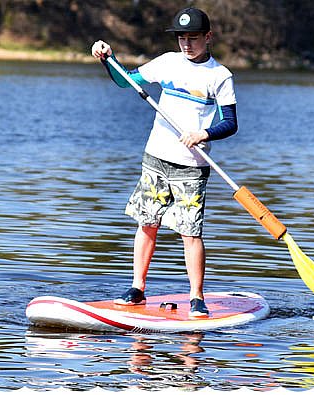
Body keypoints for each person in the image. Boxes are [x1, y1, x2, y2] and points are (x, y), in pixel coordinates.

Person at [90, 7, 238, 317]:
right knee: (147, 223)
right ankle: (137, 289)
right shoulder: (168, 63)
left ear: (208, 38)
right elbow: (126, 81)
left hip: (191, 165)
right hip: (156, 157)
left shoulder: (220, 76)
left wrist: (203, 133)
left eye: (193, 38)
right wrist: (109, 57)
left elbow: (230, 123)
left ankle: (197, 297)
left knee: (191, 232)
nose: (187, 44)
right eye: (182, 37)